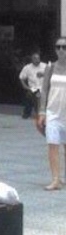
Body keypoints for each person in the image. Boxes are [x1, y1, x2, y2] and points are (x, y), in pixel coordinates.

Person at [37, 37, 66, 190]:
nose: (61, 50)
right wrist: (42, 111)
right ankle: (56, 179)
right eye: (58, 47)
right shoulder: (51, 67)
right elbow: (44, 90)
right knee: (52, 145)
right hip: (53, 112)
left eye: (64, 47)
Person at [19, 50, 47, 120]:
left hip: (43, 88)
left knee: (37, 96)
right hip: (33, 88)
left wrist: (44, 74)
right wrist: (25, 86)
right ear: (32, 59)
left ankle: (33, 113)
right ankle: (29, 113)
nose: (37, 60)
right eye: (35, 58)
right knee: (32, 94)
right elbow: (21, 78)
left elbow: (52, 75)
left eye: (38, 58)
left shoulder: (45, 66)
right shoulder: (27, 67)